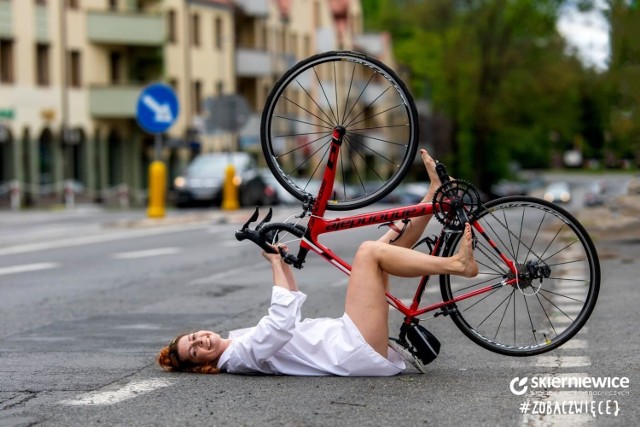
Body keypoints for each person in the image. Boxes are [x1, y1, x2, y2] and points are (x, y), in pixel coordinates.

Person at [157, 149, 478, 376]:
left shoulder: (236, 342)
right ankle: (456, 265)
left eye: (195, 336)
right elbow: (281, 323)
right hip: (351, 348)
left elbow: (290, 311)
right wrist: (273, 265)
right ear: (203, 366)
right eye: (195, 350)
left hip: (348, 340)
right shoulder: (238, 356)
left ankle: (431, 196)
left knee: (380, 250)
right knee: (368, 253)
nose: (201, 340)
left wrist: (281, 265)